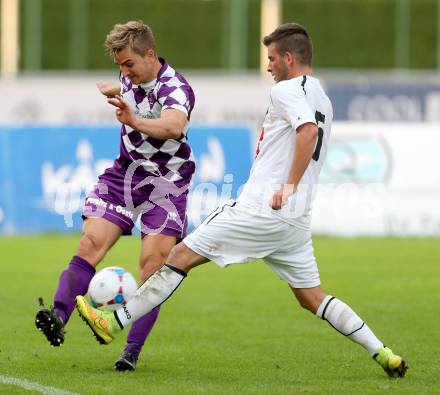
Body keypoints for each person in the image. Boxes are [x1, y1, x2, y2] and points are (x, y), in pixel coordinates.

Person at [75, 22, 407, 378]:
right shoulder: (321, 96)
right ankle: (383, 352)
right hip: (294, 222)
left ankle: (114, 322)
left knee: (176, 257)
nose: (268, 66)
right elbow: (311, 129)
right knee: (312, 298)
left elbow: (307, 131)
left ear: (289, 59)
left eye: (272, 58)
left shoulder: (287, 91)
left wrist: (289, 184)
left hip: (262, 208)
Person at [35, 20, 196, 372]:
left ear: (150, 55)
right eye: (120, 66)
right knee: (90, 243)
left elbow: (173, 126)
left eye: (129, 64)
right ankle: (58, 317)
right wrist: (117, 89)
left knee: (153, 268)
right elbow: (130, 92)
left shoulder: (176, 87)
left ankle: (131, 352)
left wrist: (134, 119)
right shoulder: (129, 77)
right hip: (125, 173)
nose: (125, 72)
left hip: (167, 181)